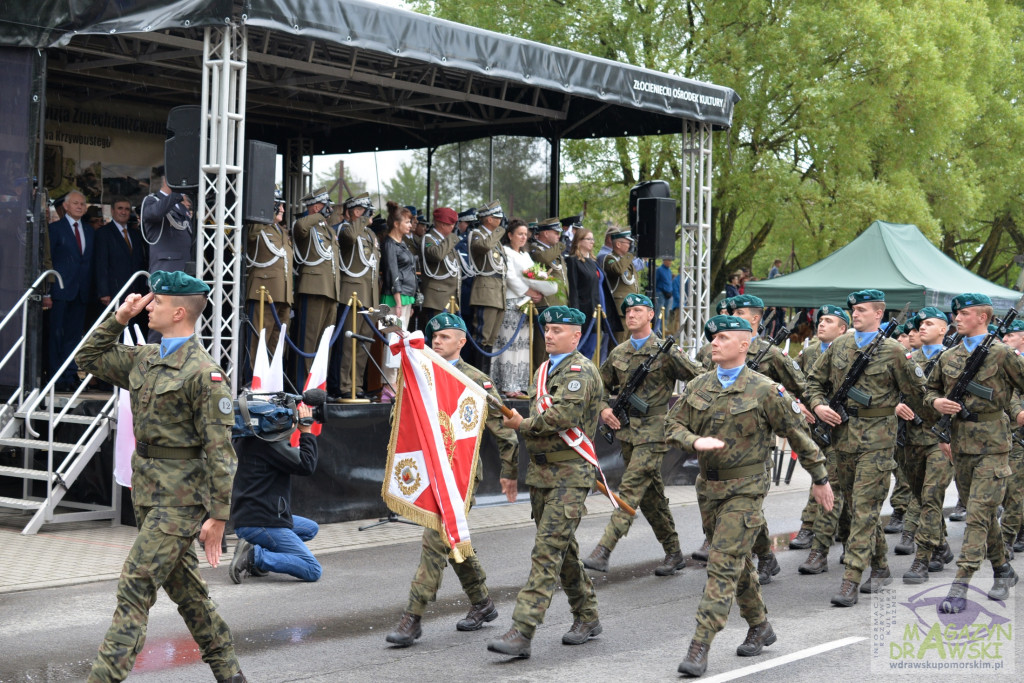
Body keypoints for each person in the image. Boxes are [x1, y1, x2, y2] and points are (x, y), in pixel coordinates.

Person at [75, 271, 245, 683]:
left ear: (179, 312)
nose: (148, 306)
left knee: (135, 584)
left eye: (157, 302)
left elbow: (221, 451)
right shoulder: (145, 358)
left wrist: (218, 516)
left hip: (181, 501)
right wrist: (119, 318)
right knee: (188, 593)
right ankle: (230, 674)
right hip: (148, 494)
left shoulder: (204, 374)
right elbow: (87, 359)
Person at [667, 314, 833, 677]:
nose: (714, 342)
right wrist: (693, 441)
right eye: (713, 337)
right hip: (709, 489)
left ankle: (699, 645)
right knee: (737, 561)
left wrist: (820, 478)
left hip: (747, 488)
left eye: (723, 338)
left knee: (722, 563)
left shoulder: (766, 390)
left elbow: (799, 435)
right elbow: (672, 425)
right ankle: (760, 625)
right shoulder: (698, 385)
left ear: (744, 345)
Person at [385, 313, 520, 646]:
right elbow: (400, 419)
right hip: (428, 471)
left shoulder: (475, 380)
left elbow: (505, 432)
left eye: (444, 336)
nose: (437, 341)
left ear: (461, 342)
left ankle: (413, 617)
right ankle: (482, 602)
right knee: (450, 535)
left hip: (460, 475)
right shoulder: (421, 373)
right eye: (434, 336)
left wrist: (509, 473)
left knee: (435, 539)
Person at [487, 306, 603, 659]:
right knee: (563, 553)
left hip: (571, 474)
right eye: (547, 329)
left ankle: (522, 631)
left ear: (576, 336)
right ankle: (588, 616)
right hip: (541, 475)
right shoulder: (543, 371)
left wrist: (521, 425)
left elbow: (562, 416)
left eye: (557, 330)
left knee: (546, 553)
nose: (549, 335)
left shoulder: (581, 371)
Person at [805, 289, 925, 606]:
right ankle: (881, 567)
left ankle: (851, 579)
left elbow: (918, 392)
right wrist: (818, 406)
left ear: (878, 314)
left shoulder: (895, 351)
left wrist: (896, 407)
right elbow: (813, 381)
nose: (855, 314)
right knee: (858, 508)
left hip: (878, 442)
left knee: (864, 510)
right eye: (853, 310)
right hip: (843, 438)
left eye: (861, 310)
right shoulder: (840, 345)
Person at [583, 293, 702, 576]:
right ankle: (674, 552)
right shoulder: (619, 352)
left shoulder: (666, 351)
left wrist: (681, 412)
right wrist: (603, 409)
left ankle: (604, 549)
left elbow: (701, 378)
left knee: (631, 488)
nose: (631, 315)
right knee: (651, 497)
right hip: (626, 432)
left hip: (655, 432)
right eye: (628, 311)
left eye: (638, 310)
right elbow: (599, 386)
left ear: (651, 315)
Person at [924, 293, 1022, 612]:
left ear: (983, 317)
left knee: (977, 515)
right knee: (984, 514)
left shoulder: (1002, 354)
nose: (957, 318)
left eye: (964, 313)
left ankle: (960, 585)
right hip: (960, 444)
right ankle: (1002, 569)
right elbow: (929, 390)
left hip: (994, 445)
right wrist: (936, 402)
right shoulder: (948, 355)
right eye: (956, 313)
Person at [228, 402, 321, 584]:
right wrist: (306, 431)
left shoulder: (241, 440)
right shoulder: (269, 445)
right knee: (312, 569)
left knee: (310, 528)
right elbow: (307, 464)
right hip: (263, 521)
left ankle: (256, 553)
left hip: (247, 518)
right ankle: (255, 556)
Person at [898, 308, 956, 583]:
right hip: (911, 439)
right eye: (920, 324)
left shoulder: (954, 359)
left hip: (940, 439)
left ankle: (922, 559)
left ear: (944, 329)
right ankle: (940, 545)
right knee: (922, 498)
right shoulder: (907, 359)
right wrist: (895, 405)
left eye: (929, 323)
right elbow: (887, 390)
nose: (922, 327)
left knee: (931, 496)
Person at [795, 306, 853, 571]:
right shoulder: (809, 352)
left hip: (843, 429)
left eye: (829, 321)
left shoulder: (854, 352)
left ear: (842, 329)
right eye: (820, 320)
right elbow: (793, 382)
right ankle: (847, 539)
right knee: (829, 483)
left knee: (832, 485)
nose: (821, 324)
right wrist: (800, 404)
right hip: (815, 428)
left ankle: (819, 547)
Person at [45, 189, 94, 390]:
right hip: (60, 290)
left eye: (82, 204)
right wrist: (47, 291)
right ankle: (55, 377)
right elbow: (48, 260)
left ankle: (70, 375)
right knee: (56, 335)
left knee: (74, 337)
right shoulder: (55, 229)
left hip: (81, 291)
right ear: (65, 206)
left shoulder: (89, 231)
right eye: (75, 203)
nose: (79, 207)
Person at [292, 188, 342, 380]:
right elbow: (300, 227)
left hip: (330, 290)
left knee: (324, 342)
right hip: (313, 288)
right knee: (309, 340)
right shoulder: (308, 224)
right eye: (325, 205)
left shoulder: (328, 230)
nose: (329, 209)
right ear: (316, 206)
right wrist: (318, 214)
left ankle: (319, 384)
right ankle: (303, 385)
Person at [334, 192, 380, 399]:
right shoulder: (345, 229)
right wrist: (359, 219)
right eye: (363, 210)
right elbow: (350, 238)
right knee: (348, 345)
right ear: (353, 212)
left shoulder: (370, 235)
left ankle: (357, 386)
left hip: (369, 296)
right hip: (352, 295)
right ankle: (345, 386)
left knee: (363, 345)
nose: (368, 215)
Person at [492, 220, 542, 398]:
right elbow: (510, 277)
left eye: (525, 234)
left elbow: (534, 274)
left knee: (523, 344)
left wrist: (541, 289)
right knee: (510, 343)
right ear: (510, 235)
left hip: (527, 303)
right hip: (512, 301)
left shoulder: (525, 254)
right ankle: (506, 384)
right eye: (520, 234)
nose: (523, 237)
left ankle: (519, 383)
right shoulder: (506, 251)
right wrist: (530, 291)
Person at [244, 194, 293, 375]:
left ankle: (272, 379)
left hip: (283, 293)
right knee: (259, 338)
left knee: (278, 340)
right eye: (279, 206)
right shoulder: (259, 227)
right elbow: (251, 236)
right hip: (264, 291)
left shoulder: (282, 231)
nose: (282, 210)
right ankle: (254, 378)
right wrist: (264, 211)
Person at [379, 201, 418, 401]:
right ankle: (388, 383)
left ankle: (394, 380)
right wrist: (398, 300)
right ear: (396, 223)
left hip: (405, 296)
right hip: (393, 298)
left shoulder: (403, 243)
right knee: (392, 341)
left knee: (400, 341)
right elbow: (392, 271)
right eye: (407, 222)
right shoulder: (389, 243)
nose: (410, 225)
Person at [468, 200, 508, 372]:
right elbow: (483, 247)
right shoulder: (477, 235)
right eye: (497, 217)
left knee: (491, 339)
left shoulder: (495, 239)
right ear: (489, 219)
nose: (500, 221)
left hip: (498, 291)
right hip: (485, 291)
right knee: (482, 337)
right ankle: (477, 376)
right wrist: (499, 231)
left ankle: (485, 377)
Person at [140, 170, 194, 276]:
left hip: (184, 267)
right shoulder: (152, 200)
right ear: (166, 181)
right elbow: (155, 213)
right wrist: (177, 193)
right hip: (166, 268)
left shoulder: (181, 206)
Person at [1001, 320, 1024, 555]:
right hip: (1013, 433)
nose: (1005, 340)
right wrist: (1018, 413)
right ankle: (1010, 535)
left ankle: (1012, 533)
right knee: (1012, 487)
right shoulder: (1006, 363)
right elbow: (1011, 394)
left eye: (1010, 336)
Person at [419, 206, 462, 322]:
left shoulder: (446, 241)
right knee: (437, 330)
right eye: (451, 224)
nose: (453, 227)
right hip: (437, 299)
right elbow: (437, 255)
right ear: (442, 224)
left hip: (451, 298)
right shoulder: (429, 239)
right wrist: (452, 238)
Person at [566, 228, 601, 359]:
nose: (592, 242)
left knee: (591, 349)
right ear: (579, 241)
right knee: (580, 350)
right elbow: (573, 289)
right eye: (588, 239)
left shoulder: (593, 262)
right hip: (582, 310)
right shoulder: (573, 261)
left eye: (592, 239)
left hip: (595, 309)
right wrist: (575, 314)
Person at [602, 229, 640, 343]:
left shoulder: (626, 261)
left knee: (629, 343)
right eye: (628, 243)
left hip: (631, 308)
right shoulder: (609, 259)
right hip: (620, 309)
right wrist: (629, 255)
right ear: (618, 244)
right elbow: (617, 270)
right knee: (618, 343)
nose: (630, 246)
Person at [655, 258, 675, 327]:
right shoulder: (659, 270)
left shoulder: (669, 271)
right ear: (664, 261)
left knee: (666, 314)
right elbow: (655, 281)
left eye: (670, 261)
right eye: (669, 260)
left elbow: (669, 282)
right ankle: (657, 329)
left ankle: (663, 330)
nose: (670, 262)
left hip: (669, 294)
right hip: (661, 293)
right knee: (659, 312)